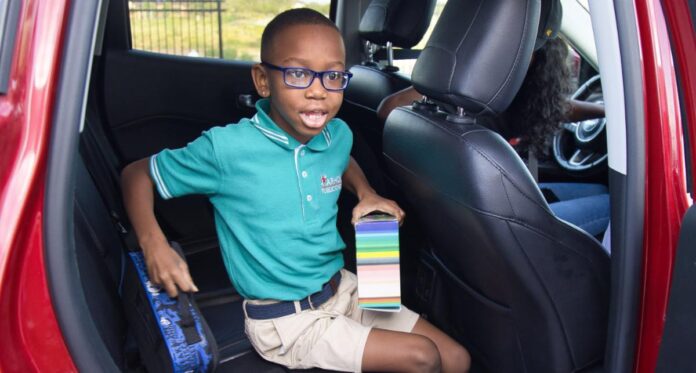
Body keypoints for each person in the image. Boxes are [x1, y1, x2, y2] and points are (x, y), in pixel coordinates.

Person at [121, 8, 470, 373]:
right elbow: (136, 175)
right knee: (422, 358)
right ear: (263, 80)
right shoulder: (227, 150)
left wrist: (366, 192)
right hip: (287, 321)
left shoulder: (336, 134)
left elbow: (342, 158)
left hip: (347, 291)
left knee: (457, 360)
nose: (318, 91)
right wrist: (154, 244)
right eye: (299, 74)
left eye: (333, 75)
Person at [376, 6, 609, 240]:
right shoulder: (483, 110)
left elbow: (557, 110)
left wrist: (603, 111)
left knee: (599, 190)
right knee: (613, 203)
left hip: (488, 222)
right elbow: (387, 109)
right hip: (512, 231)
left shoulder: (487, 102)